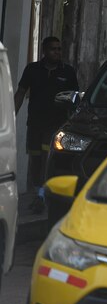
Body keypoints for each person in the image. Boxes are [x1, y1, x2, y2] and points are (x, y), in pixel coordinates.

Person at [14, 36, 79, 212]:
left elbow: (75, 99)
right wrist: (11, 116)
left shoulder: (68, 72)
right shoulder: (33, 69)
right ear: (44, 51)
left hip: (56, 125)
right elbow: (21, 92)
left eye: (59, 49)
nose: (57, 52)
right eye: (53, 49)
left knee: (46, 159)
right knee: (35, 160)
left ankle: (42, 196)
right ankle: (38, 192)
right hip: (35, 122)